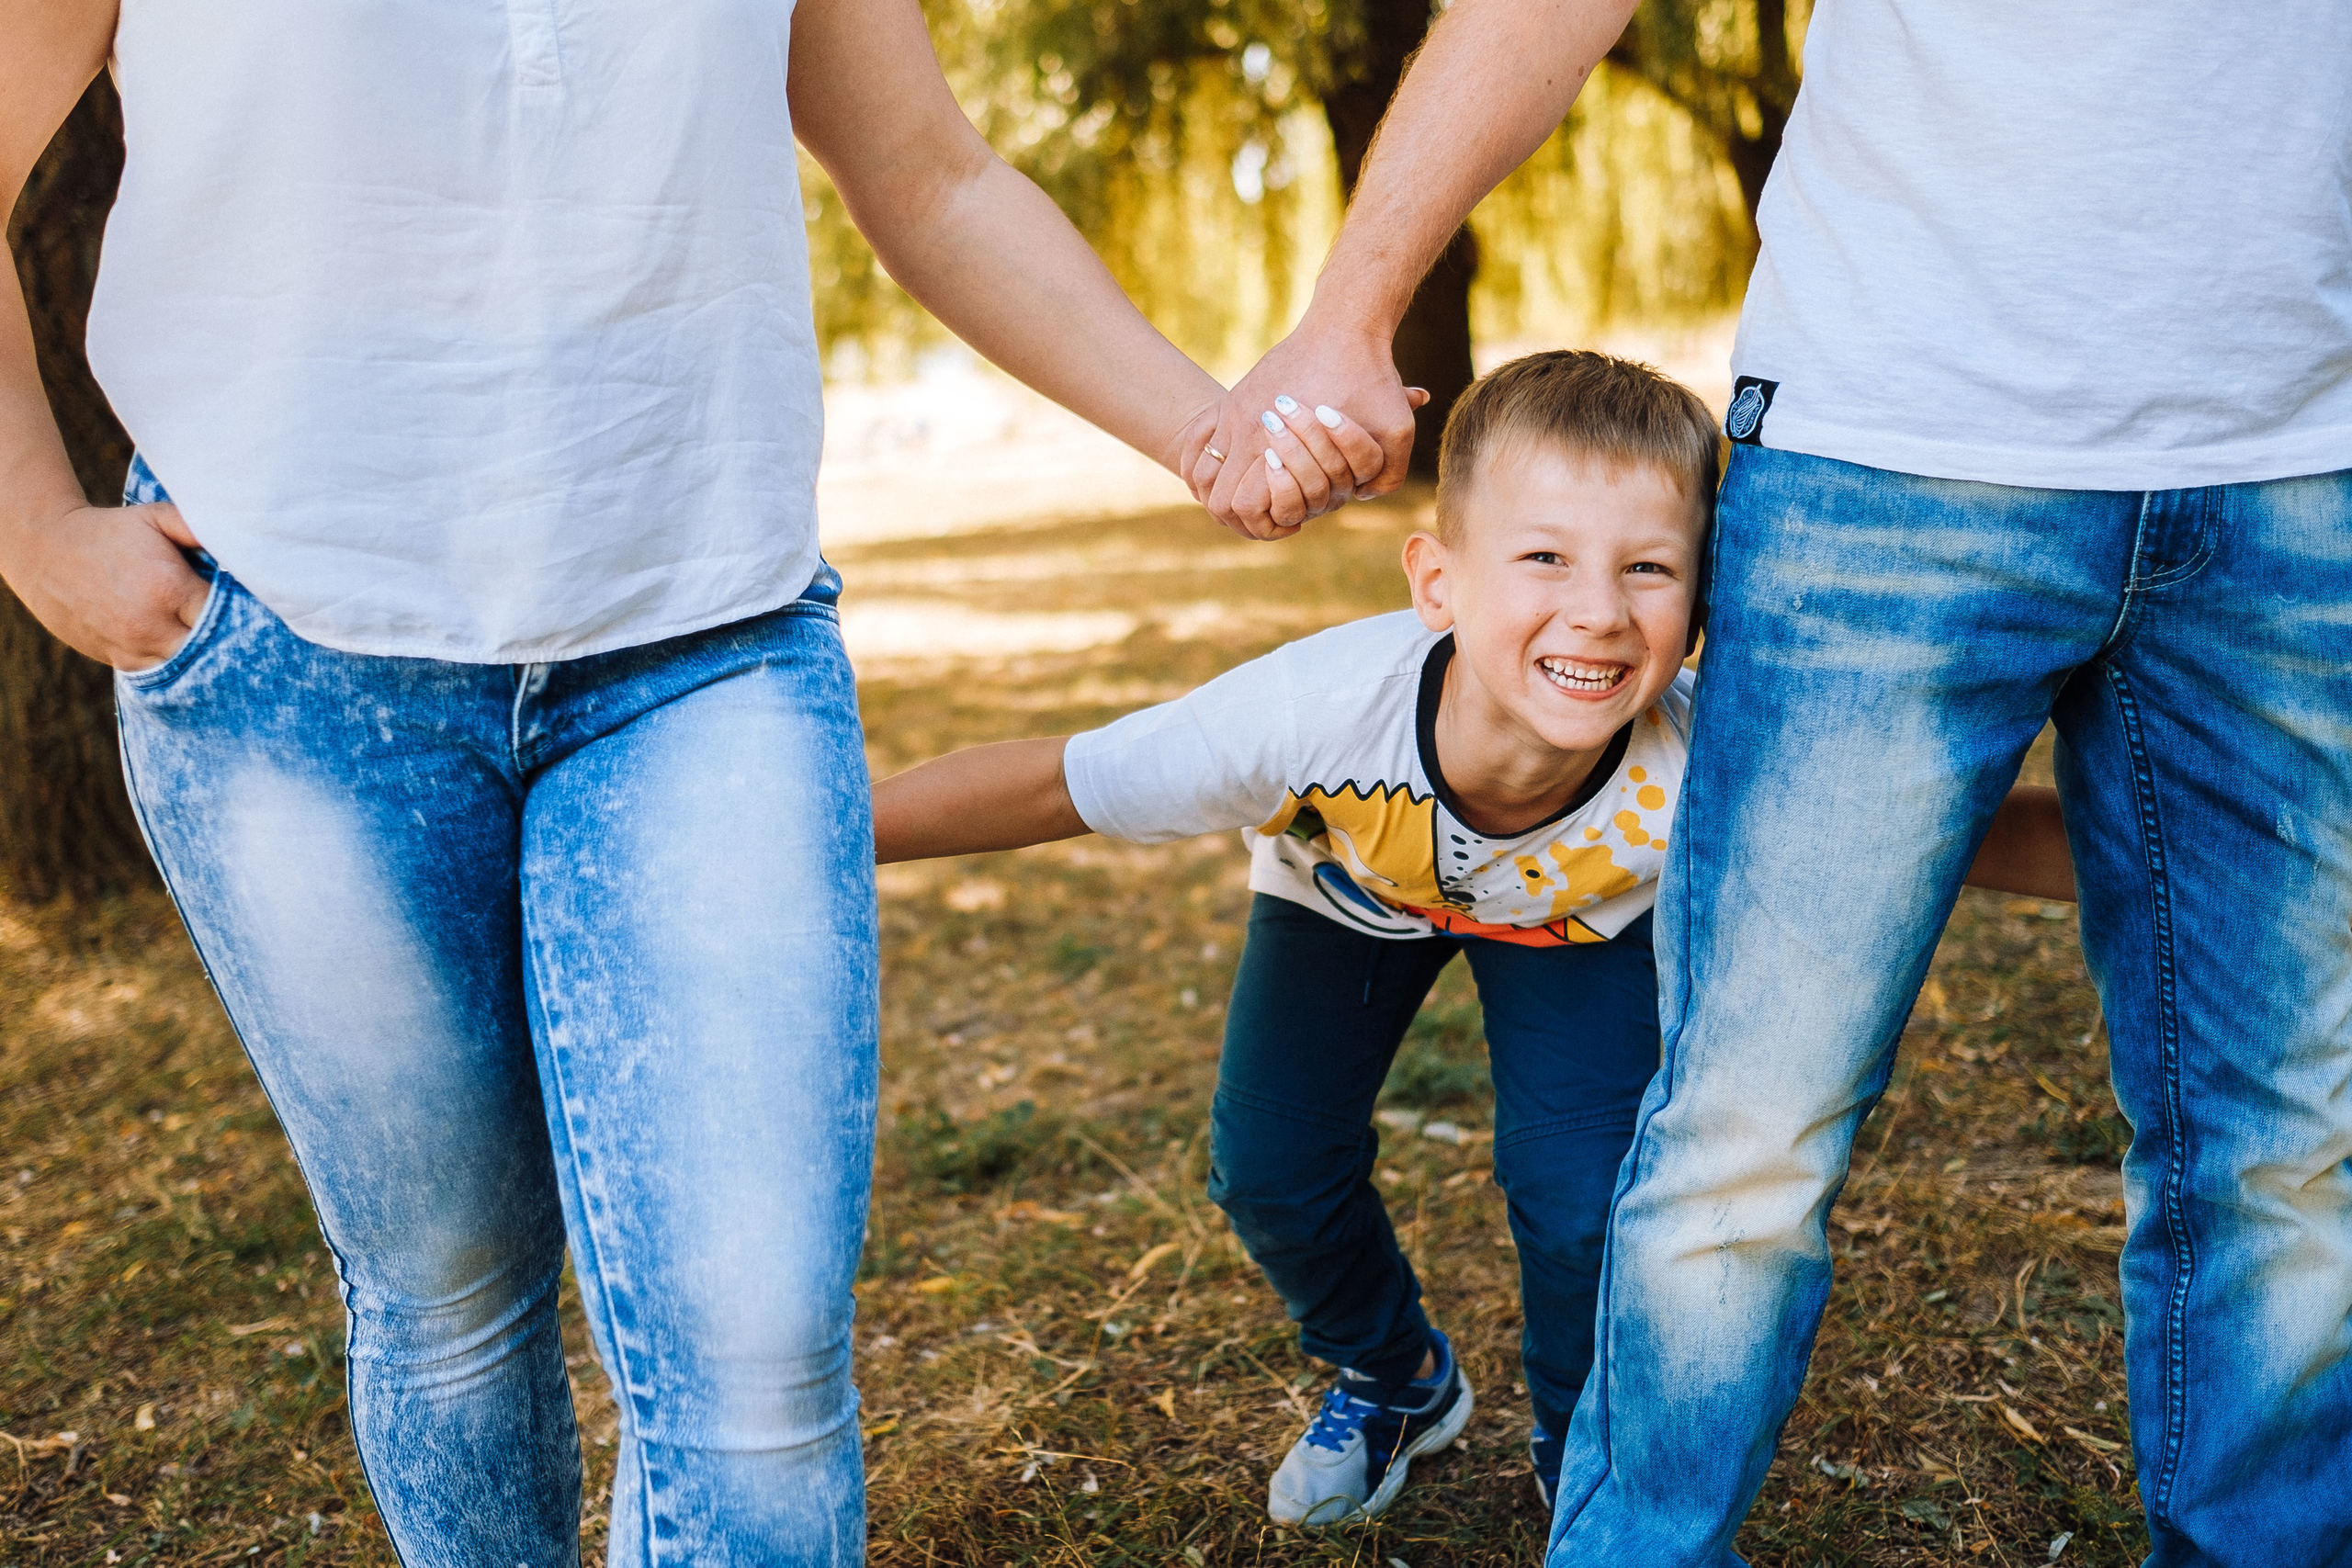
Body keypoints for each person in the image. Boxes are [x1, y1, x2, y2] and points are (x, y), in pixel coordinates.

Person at [0, 5, 1374, 1562]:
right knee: (449, 1294)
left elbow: (930, 176)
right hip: (292, 654)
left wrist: (1205, 432)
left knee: (759, 1356)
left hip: (704, 635)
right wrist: (38, 531)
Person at [1194, 4, 2352, 1563]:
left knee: (2286, 1139)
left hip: (2302, 465)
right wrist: (1355, 305)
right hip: (1890, 439)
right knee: (1746, 1123)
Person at [872, 350, 2075, 1526]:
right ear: (1437, 582)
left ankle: (1574, 1438)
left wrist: (2207, 867)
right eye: (1544, 557)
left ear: (1702, 604)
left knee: (1581, 1197)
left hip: (1573, 926)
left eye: (1650, 568)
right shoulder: (1309, 714)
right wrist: (830, 835)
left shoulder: (1708, 752)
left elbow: (1942, 835)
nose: (1598, 612)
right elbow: (1055, 786)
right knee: (1270, 1167)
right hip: (1350, 894)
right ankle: (1395, 1379)